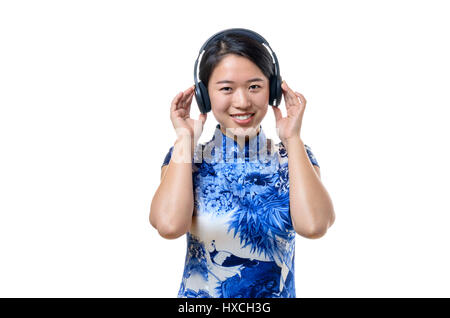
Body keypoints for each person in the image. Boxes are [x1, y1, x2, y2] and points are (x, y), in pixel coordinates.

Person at [150, 29, 335, 298]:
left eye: (254, 86)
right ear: (204, 95)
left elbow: (315, 226)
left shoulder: (292, 157)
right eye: (226, 88)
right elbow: (168, 226)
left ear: (272, 90)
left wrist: (292, 138)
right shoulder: (187, 158)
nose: (242, 101)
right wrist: (184, 141)